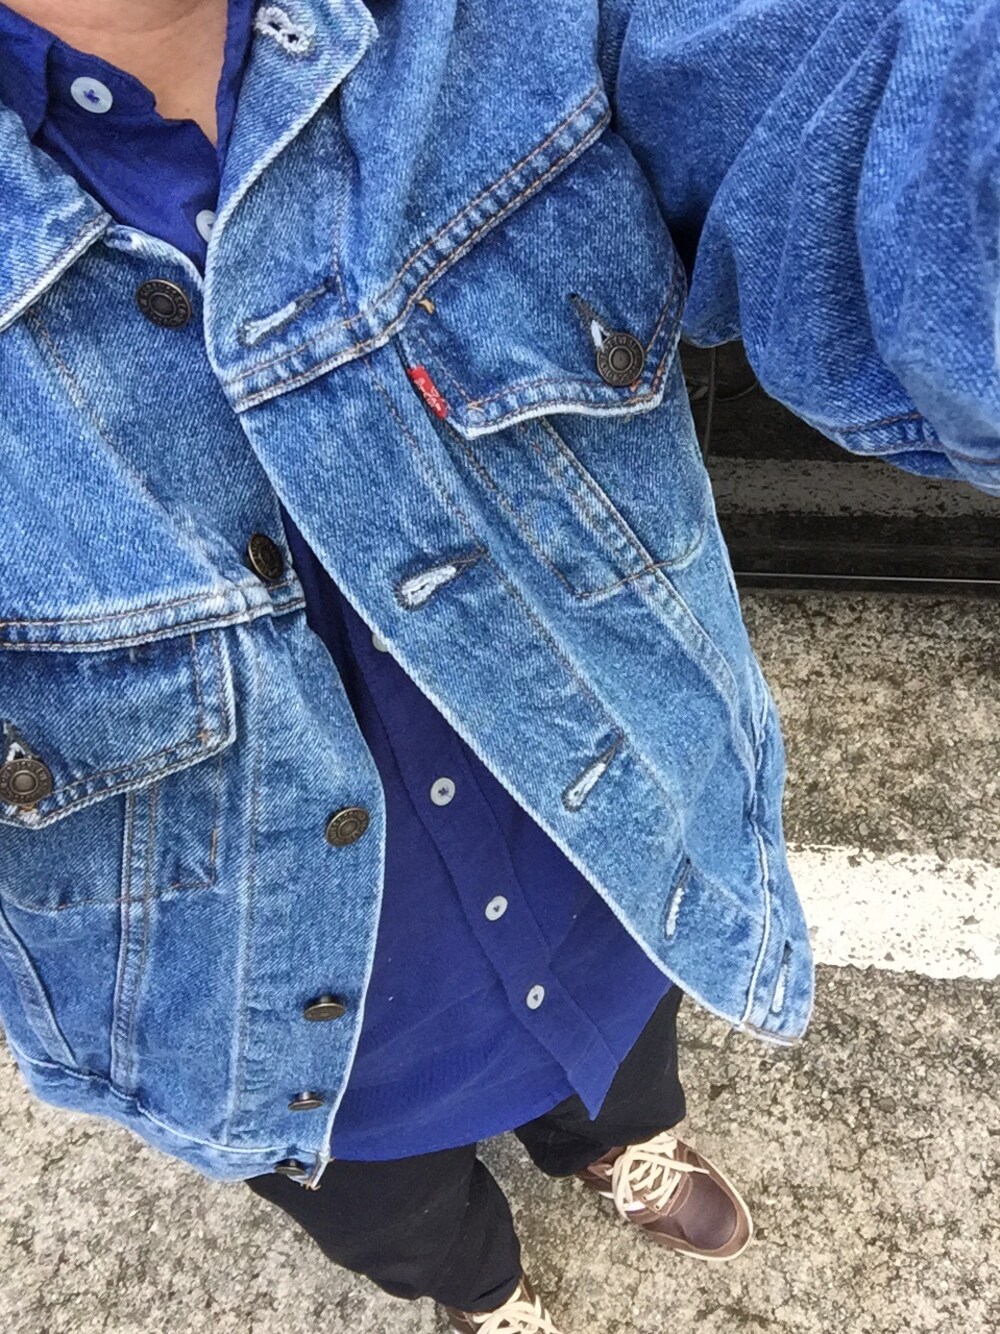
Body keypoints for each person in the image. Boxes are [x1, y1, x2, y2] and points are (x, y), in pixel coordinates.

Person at [0, 2, 995, 1331]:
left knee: (623, 1072)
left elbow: (876, 120)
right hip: (286, 1042)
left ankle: (616, 1149)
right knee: (402, 1218)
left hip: (610, 877)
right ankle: (482, 1289)